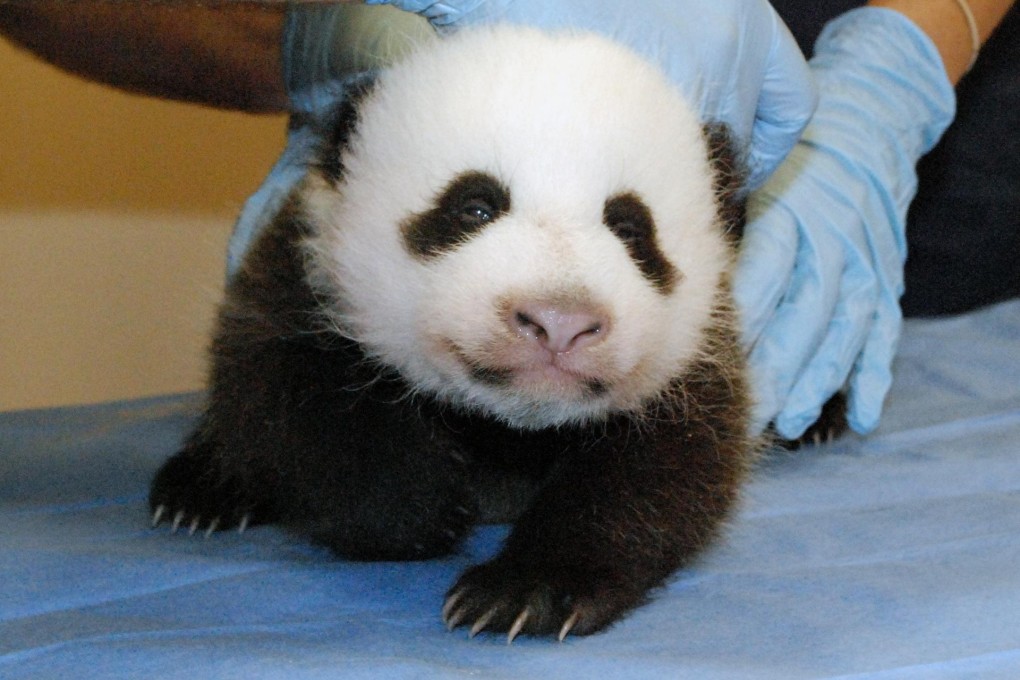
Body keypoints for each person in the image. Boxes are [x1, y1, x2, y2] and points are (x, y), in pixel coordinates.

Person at [2, 0, 1016, 440]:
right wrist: (311, 28)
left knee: (803, 348)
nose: (558, 299)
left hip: (880, 110)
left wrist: (910, 53)